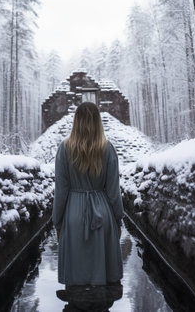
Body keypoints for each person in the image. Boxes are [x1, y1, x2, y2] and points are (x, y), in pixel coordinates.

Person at [52, 101, 124, 288]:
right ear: (98, 122)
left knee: (76, 279)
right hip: (102, 214)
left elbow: (61, 191)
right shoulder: (108, 149)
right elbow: (114, 192)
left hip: (73, 214)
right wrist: (118, 220)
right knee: (103, 277)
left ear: (76, 122)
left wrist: (57, 222)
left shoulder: (64, 149)